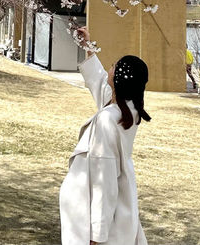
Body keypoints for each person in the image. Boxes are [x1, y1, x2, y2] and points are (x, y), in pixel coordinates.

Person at [59, 27, 150, 245]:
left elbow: (105, 180)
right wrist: (88, 46)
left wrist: (96, 236)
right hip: (119, 206)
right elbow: (98, 81)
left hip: (98, 220)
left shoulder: (109, 119)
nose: (109, 69)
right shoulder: (127, 109)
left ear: (118, 78)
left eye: (113, 67)